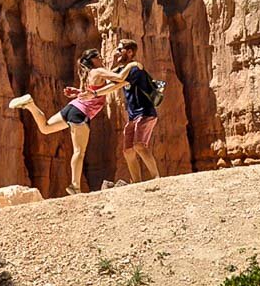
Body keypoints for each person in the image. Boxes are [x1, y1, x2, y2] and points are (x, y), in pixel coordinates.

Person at [8, 48, 124, 196]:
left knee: (45, 128)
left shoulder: (92, 74)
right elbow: (119, 78)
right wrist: (129, 73)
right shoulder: (99, 71)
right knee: (79, 152)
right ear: (93, 60)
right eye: (99, 56)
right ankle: (75, 185)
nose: (101, 58)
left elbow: (94, 91)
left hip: (73, 107)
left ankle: (30, 105)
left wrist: (77, 92)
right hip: (81, 113)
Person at [113, 39, 160, 183]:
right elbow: (109, 79)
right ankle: (137, 181)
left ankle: (156, 178)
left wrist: (96, 94)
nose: (117, 52)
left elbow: (114, 84)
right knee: (128, 151)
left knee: (139, 145)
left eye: (120, 49)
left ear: (129, 52)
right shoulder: (123, 69)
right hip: (133, 116)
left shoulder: (135, 69)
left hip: (145, 113)